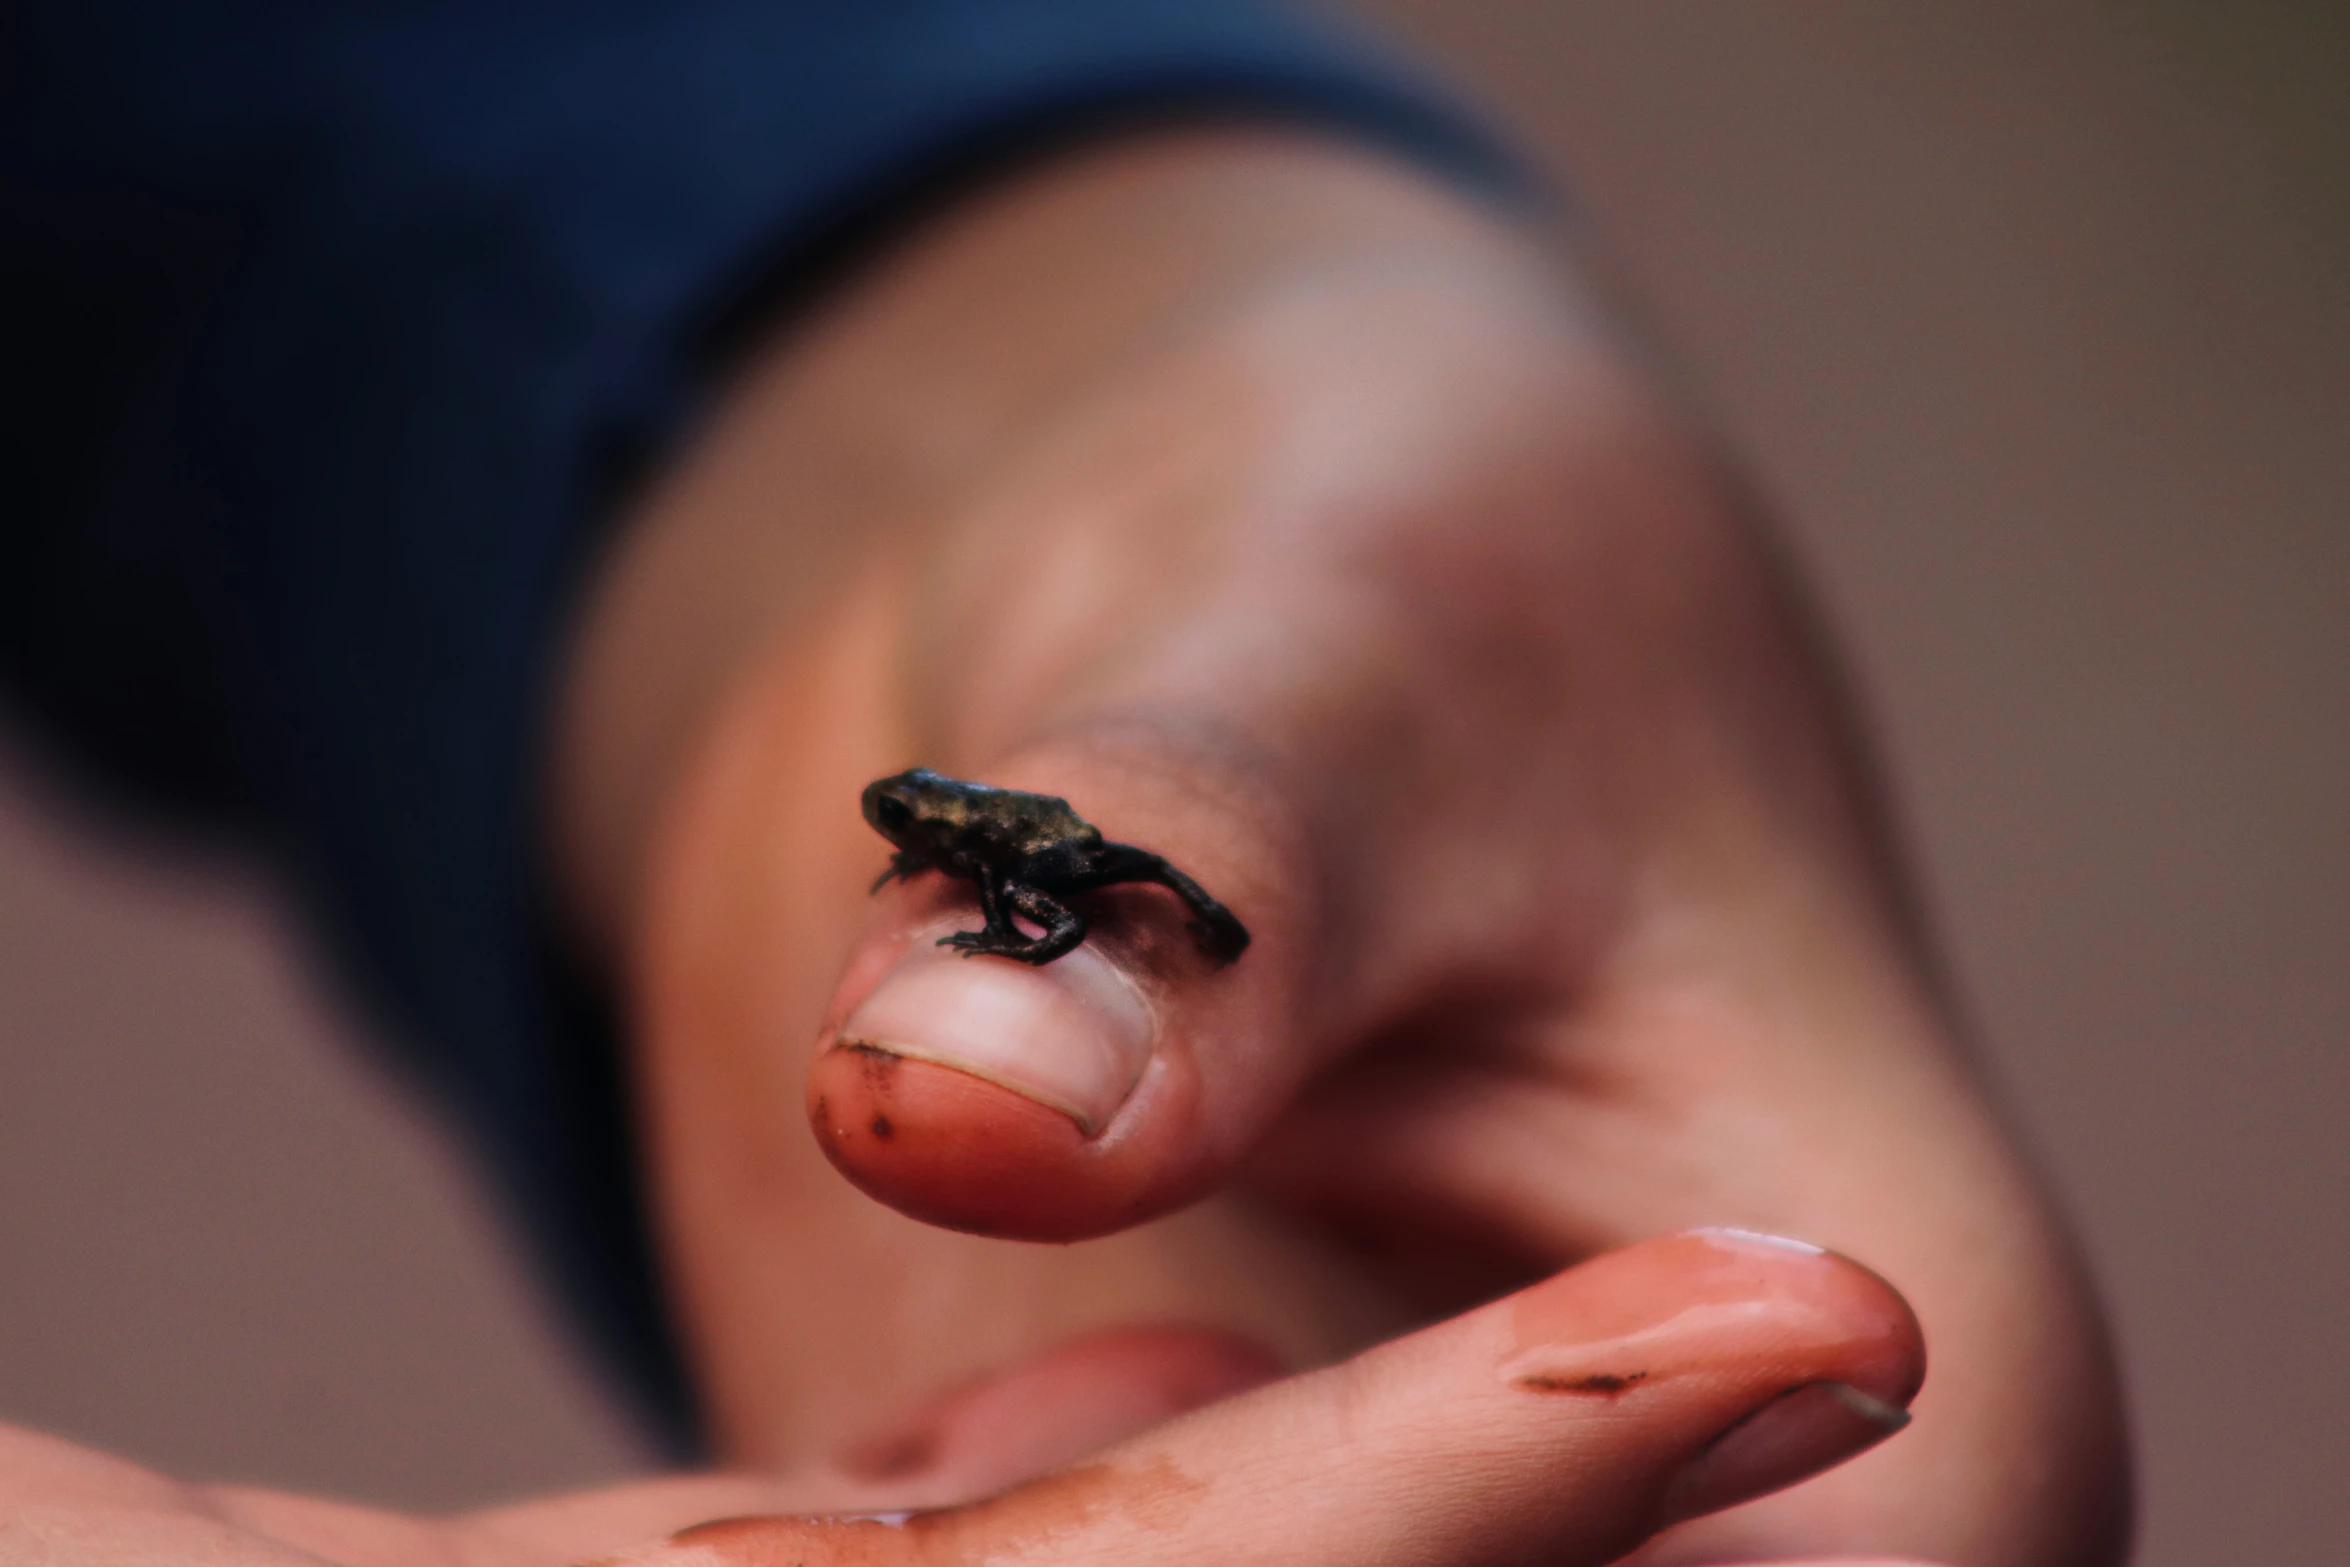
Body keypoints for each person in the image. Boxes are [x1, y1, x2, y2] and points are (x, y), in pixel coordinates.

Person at [0, 4, 2129, 1563]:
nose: (905, 857)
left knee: (1104, 914)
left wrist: (1055, 330)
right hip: (1048, 857)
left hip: (1100, 844)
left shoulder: (1002, 847)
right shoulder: (952, 847)